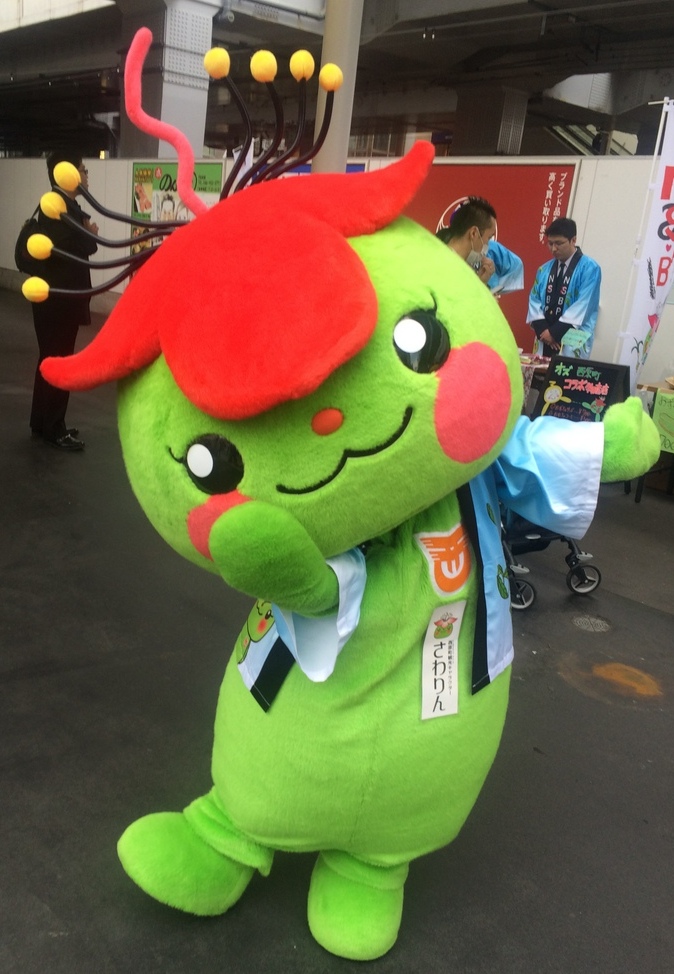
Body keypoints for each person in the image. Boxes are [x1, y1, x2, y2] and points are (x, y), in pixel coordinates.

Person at [29, 151, 99, 450]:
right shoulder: (60, 209)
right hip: (60, 301)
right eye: (83, 169)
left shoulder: (53, 205)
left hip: (52, 299)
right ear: (68, 174)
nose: (86, 174)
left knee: (49, 359)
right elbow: (84, 246)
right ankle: (54, 427)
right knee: (59, 361)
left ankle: (41, 421)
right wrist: (90, 232)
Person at [527, 216, 601, 359]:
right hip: (544, 338)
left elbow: (583, 305)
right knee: (541, 371)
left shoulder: (589, 268)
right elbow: (534, 301)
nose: (554, 249)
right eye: (550, 243)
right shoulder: (544, 269)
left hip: (572, 339)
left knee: (566, 372)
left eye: (559, 243)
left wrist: (554, 333)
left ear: (573, 240)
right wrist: (544, 332)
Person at [436, 196, 497, 285]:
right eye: (489, 237)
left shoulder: (460, 267)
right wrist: (479, 286)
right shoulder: (444, 268)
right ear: (474, 233)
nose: (488, 244)